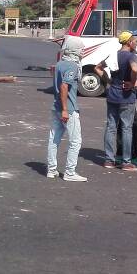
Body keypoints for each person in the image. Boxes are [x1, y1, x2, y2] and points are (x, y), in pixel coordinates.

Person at [95, 31, 137, 171]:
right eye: (135, 41)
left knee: (111, 127)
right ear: (129, 42)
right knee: (127, 128)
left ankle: (109, 160)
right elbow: (134, 68)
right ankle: (126, 162)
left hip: (112, 94)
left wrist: (109, 81)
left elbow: (97, 68)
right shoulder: (131, 56)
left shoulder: (114, 55)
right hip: (126, 96)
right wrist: (133, 83)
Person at [47, 36, 87, 182]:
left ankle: (51, 170)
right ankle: (70, 172)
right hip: (68, 108)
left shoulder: (59, 64)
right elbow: (64, 86)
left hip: (56, 106)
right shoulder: (72, 66)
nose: (82, 52)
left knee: (54, 138)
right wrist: (65, 109)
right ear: (75, 50)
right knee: (75, 141)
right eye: (81, 49)